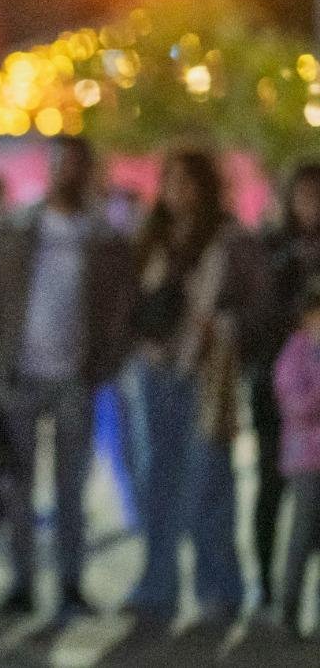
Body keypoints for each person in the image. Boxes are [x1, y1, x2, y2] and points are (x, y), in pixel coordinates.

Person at [0, 136, 135, 618]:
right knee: (18, 486)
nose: (69, 175)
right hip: (18, 373)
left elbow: (121, 310)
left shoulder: (104, 239)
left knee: (71, 489)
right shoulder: (13, 229)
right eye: (62, 165)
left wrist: (107, 363)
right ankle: (21, 583)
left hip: (76, 377)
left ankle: (70, 582)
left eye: (78, 166)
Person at [125, 148, 260, 624]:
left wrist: (221, 326)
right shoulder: (152, 238)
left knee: (211, 478)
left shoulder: (229, 240)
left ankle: (220, 589)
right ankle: (157, 586)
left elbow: (255, 304)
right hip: (155, 368)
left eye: (187, 182)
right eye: (170, 182)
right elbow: (128, 300)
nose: (177, 192)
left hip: (208, 373)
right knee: (157, 480)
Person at [256, 161, 320, 608]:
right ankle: (268, 586)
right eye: (304, 194)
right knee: (273, 484)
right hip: (280, 379)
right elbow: (262, 309)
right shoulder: (274, 248)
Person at [274, 288, 320, 640]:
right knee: (302, 538)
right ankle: (288, 613)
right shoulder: (295, 354)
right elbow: (295, 405)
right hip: (306, 460)